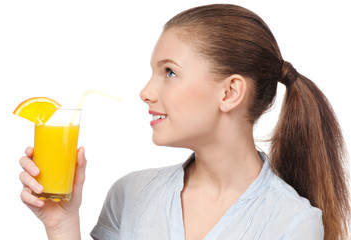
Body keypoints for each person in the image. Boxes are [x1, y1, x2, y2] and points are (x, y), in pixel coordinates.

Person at [19, 4, 350, 240]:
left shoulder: (293, 224)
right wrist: (62, 226)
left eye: (170, 72)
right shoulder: (130, 194)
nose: (145, 92)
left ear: (230, 92)